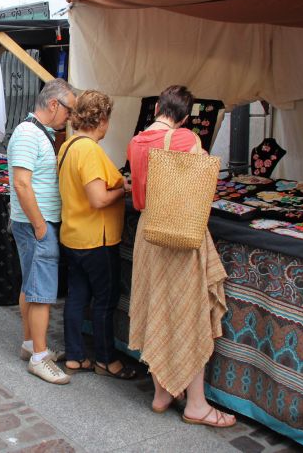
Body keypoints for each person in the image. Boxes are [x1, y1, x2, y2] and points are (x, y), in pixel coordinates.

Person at [127, 85, 235, 427]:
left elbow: (139, 192)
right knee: (189, 315)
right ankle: (196, 404)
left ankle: (162, 394)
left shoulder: (136, 142)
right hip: (181, 234)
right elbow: (205, 186)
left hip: (149, 234)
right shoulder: (188, 140)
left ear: (157, 106)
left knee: (156, 308)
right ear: (186, 116)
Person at [57, 90, 136, 379]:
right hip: (96, 239)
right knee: (104, 300)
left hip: (74, 234)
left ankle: (76, 356)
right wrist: (123, 189)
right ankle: (106, 360)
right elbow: (98, 199)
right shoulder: (88, 150)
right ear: (101, 118)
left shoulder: (68, 145)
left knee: (77, 296)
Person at [8, 78, 76, 385]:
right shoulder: (28, 134)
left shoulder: (35, 133)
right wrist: (39, 226)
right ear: (53, 105)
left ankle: (30, 344)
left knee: (31, 285)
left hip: (36, 221)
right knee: (41, 294)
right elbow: (22, 183)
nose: (70, 117)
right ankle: (39, 356)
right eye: (69, 110)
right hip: (37, 222)